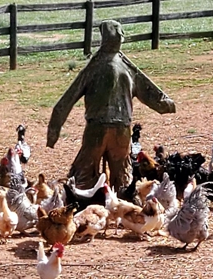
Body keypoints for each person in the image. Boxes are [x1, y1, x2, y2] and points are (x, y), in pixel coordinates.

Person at [46, 20, 176, 191]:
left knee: (83, 175)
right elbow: (149, 91)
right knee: (121, 177)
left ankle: (81, 206)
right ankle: (125, 209)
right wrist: (165, 105)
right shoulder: (126, 68)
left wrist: (53, 131)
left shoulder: (94, 67)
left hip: (97, 129)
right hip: (122, 128)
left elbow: (67, 100)